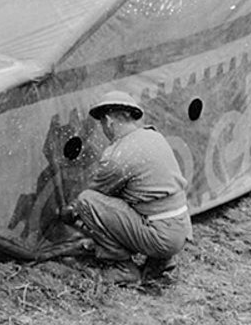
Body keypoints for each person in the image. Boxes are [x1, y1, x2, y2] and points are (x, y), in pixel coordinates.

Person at [67, 90, 192, 284]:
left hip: (162, 237)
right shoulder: (154, 136)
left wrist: (71, 210)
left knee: (86, 201)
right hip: (181, 228)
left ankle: (123, 267)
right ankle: (160, 261)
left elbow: (97, 193)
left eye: (102, 124)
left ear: (109, 121)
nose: (103, 129)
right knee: (140, 196)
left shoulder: (119, 155)